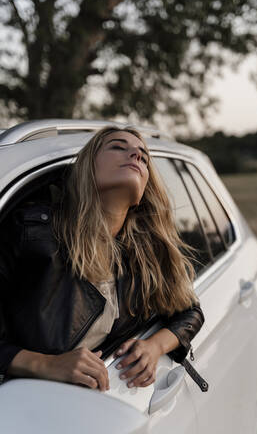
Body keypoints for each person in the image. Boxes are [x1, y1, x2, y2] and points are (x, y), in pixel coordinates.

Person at [0, 126, 204, 392]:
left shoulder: (145, 252)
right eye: (118, 147)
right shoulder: (31, 232)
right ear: (87, 167)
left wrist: (154, 346)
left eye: (143, 157)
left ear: (143, 190)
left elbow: (189, 310)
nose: (136, 155)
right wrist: (44, 364)